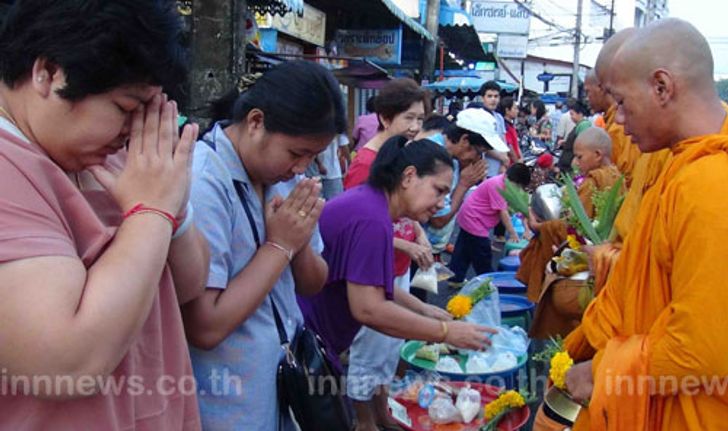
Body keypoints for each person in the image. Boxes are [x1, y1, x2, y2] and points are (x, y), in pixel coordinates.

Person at [0, 1, 208, 429]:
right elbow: (64, 362)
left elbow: (188, 285)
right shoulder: (10, 165)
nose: (134, 130)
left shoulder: (105, 160)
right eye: (125, 107)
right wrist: (150, 212)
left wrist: (172, 206)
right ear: (49, 73)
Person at [559, 19, 728, 431]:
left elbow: (702, 352)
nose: (617, 118)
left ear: (661, 87)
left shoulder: (709, 184)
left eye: (620, 101)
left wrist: (603, 372)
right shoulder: (680, 164)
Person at [182, 61, 345, 430]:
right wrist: (279, 246)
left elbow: (313, 282)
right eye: (295, 153)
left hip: (285, 388)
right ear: (256, 122)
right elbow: (205, 326)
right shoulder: (203, 182)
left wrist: (298, 241)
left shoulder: (285, 179)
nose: (301, 167)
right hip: (229, 401)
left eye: (312, 157)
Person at [299, 137, 496, 431]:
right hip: (306, 343)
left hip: (315, 339)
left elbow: (373, 284)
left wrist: (424, 310)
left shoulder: (372, 206)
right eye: (439, 190)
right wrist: (446, 332)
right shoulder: (371, 219)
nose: (442, 203)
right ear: (408, 176)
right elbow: (369, 309)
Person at [520, 127, 622, 339]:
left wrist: (542, 228)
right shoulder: (617, 176)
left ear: (597, 155)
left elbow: (573, 226)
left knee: (551, 281)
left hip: (589, 256)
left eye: (579, 156)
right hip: (606, 254)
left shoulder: (592, 182)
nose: (576, 163)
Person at [448, 163, 531, 286]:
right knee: (482, 255)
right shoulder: (498, 185)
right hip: (475, 221)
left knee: (463, 251)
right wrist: (513, 233)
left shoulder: (506, 183)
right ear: (515, 181)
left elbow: (522, 209)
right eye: (518, 186)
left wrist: (527, 229)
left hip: (469, 217)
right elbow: (502, 212)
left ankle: (456, 278)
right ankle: (489, 283)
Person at [481, 80, 510, 177]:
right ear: (483, 98)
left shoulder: (499, 118)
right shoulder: (479, 117)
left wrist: (503, 163)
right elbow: (482, 145)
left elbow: (503, 141)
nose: (493, 99)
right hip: (484, 170)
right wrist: (502, 158)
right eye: (489, 96)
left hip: (499, 169)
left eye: (496, 96)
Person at [556, 99, 591, 173]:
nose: (571, 117)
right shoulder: (579, 125)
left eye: (572, 114)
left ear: (580, 114)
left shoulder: (584, 125)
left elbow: (583, 144)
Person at [498, 96, 522, 163]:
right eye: (515, 108)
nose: (517, 111)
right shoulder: (505, 127)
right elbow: (509, 147)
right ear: (507, 110)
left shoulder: (510, 125)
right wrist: (517, 163)